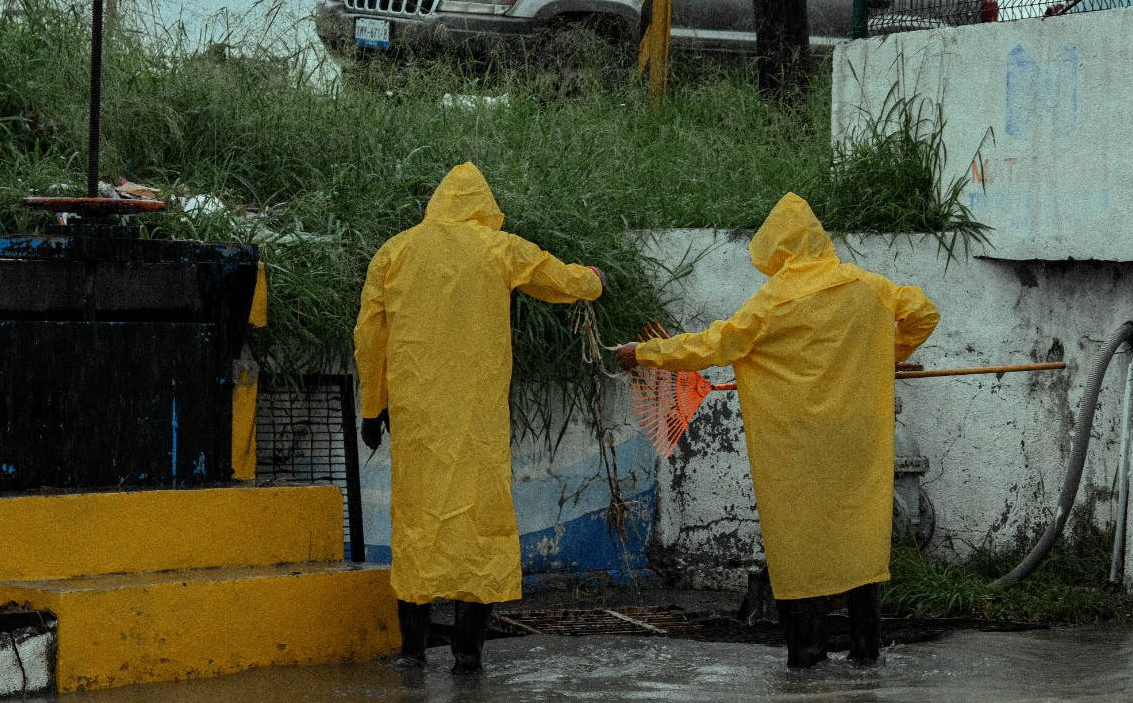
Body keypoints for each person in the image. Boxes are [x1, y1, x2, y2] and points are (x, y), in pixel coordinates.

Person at [614, 193, 938, 668]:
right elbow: (924, 312)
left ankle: (808, 658)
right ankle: (866, 652)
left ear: (779, 249)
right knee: (858, 534)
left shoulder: (772, 303)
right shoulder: (870, 287)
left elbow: (712, 345)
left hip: (794, 449)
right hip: (857, 441)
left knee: (799, 546)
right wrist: (888, 354)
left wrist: (641, 353)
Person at [354, 163, 605, 672]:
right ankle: (468, 655)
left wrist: (372, 408)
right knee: (481, 526)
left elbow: (369, 337)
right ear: (483, 207)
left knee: (417, 527)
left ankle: (413, 653)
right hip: (477, 421)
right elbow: (558, 278)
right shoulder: (499, 248)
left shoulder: (394, 252)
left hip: (417, 422)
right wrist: (593, 282)